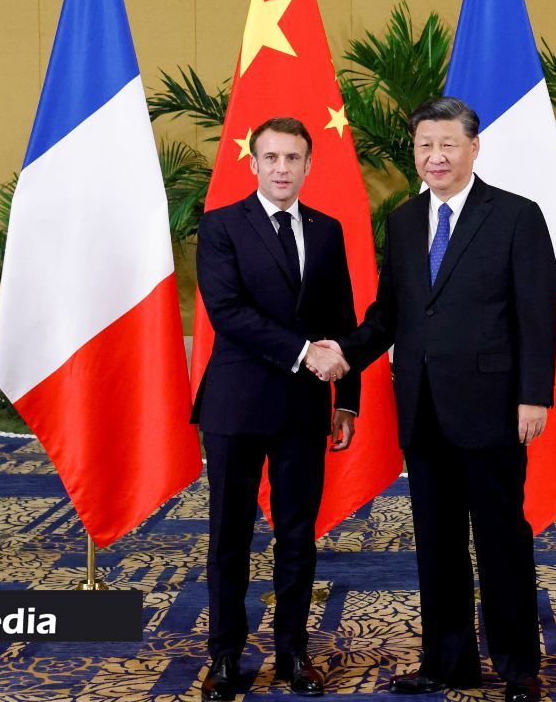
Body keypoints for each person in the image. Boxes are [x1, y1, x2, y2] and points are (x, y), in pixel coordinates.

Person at [315, 97, 556, 702]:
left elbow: (537, 313)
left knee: (501, 540)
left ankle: (518, 668)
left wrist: (534, 396)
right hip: (422, 408)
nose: (436, 156)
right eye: (425, 145)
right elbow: (390, 314)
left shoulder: (516, 216)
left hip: (493, 408)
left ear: (474, 147)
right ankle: (448, 661)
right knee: (437, 543)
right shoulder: (403, 222)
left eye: (448, 144)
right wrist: (343, 353)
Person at [191, 116, 358, 699]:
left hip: (304, 408)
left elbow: (341, 317)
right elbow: (227, 313)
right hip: (236, 405)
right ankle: (224, 656)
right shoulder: (221, 226)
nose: (282, 168)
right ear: (253, 163)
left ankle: (293, 652)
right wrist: (305, 352)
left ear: (309, 165)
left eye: (293, 158)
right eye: (271, 157)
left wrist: (347, 400)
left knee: (297, 535)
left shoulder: (327, 229)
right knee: (229, 537)